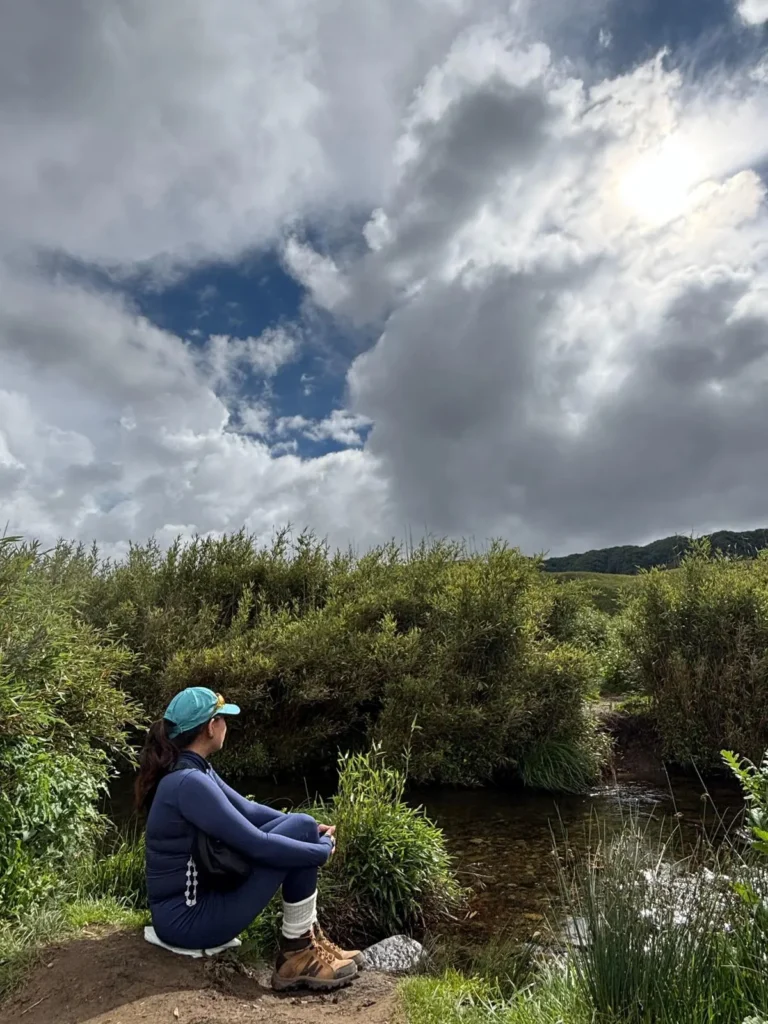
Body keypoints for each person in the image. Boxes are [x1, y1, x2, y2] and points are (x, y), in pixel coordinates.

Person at [135, 686, 363, 992]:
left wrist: (309, 830)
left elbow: (250, 810)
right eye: (224, 719)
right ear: (211, 727)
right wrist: (319, 852)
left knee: (303, 825)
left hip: (192, 910)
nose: (227, 725)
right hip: (187, 922)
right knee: (299, 833)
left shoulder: (194, 770)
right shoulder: (188, 783)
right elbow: (255, 842)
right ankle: (297, 954)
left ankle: (306, 939)